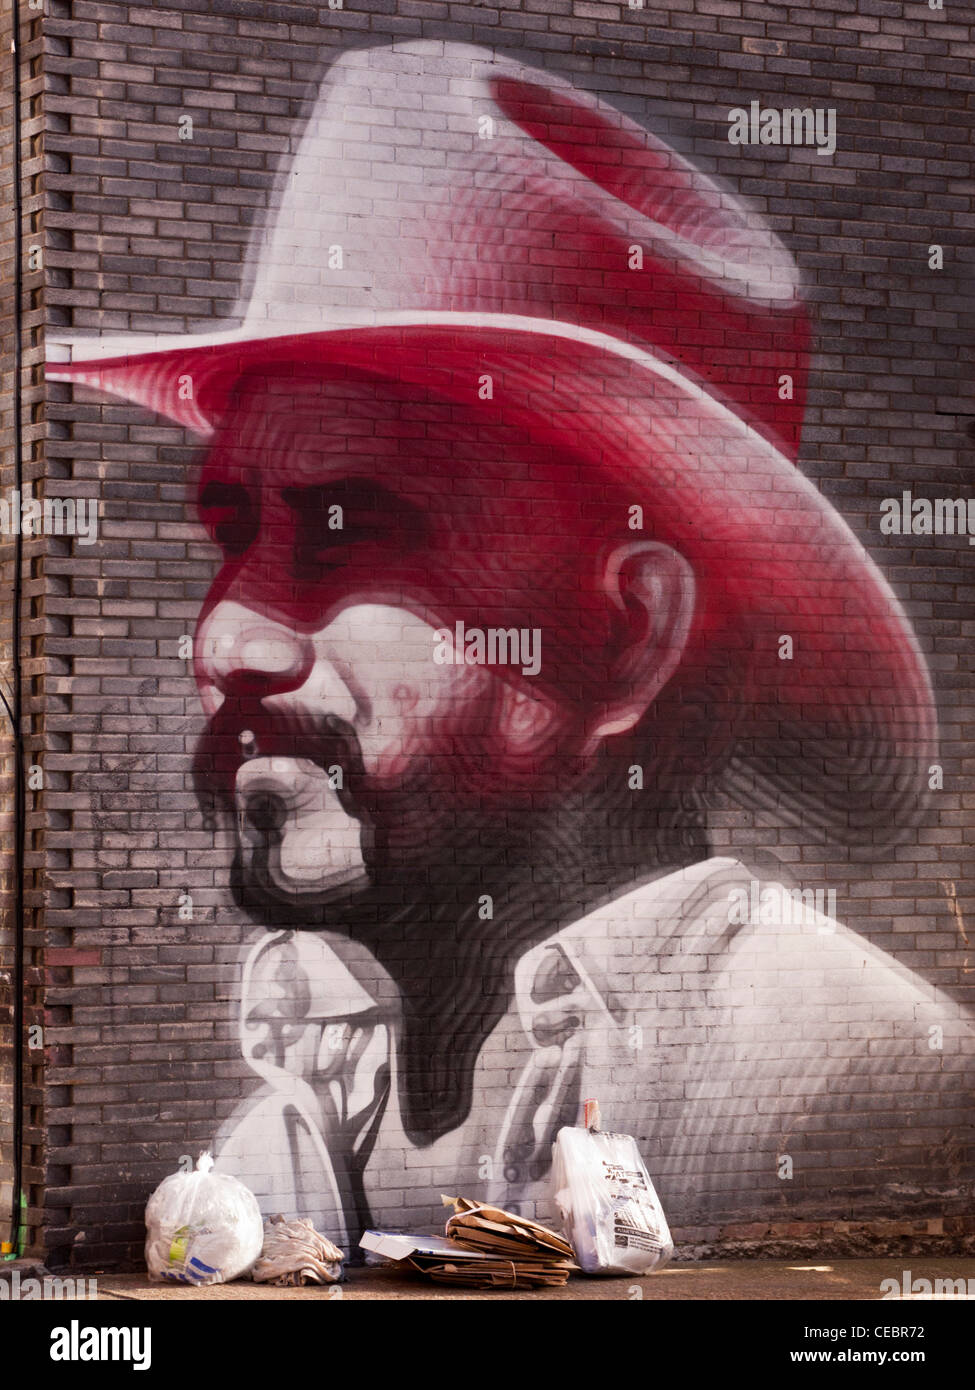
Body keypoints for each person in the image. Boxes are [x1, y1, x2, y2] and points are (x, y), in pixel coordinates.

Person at [50, 41, 973, 1250]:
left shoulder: (873, 1089)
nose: (223, 637)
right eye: (233, 532)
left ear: (629, 637)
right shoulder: (277, 1133)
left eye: (346, 534)